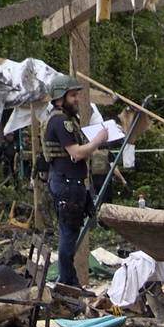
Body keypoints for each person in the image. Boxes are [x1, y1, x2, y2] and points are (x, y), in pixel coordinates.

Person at [42, 73, 111, 287]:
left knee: (69, 232)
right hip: (67, 184)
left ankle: (69, 281)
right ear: (60, 97)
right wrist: (98, 140)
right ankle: (68, 283)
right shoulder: (61, 121)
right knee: (68, 235)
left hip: (66, 182)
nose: (76, 100)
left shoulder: (63, 120)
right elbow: (77, 153)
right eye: (73, 95)